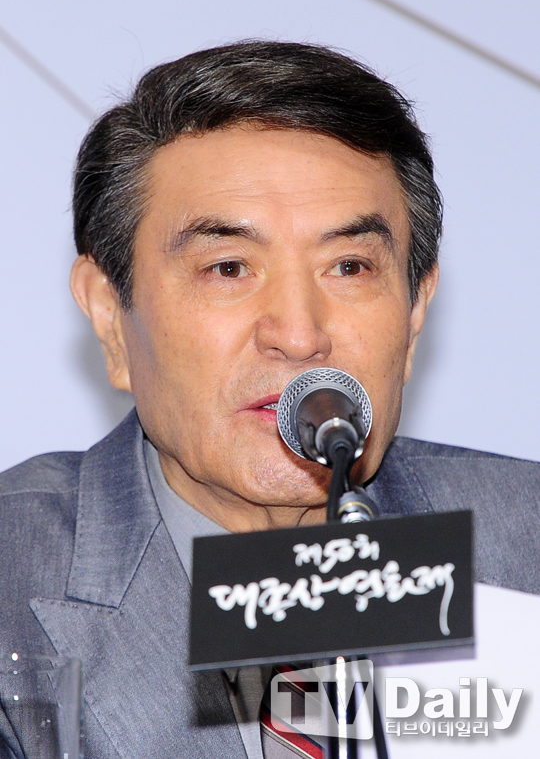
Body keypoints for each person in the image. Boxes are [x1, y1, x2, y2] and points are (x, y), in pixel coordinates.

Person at [0, 40, 538, 759]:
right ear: (109, 316)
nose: (299, 334)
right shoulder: (12, 574)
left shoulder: (526, 546)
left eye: (350, 266)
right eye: (228, 267)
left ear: (415, 314)